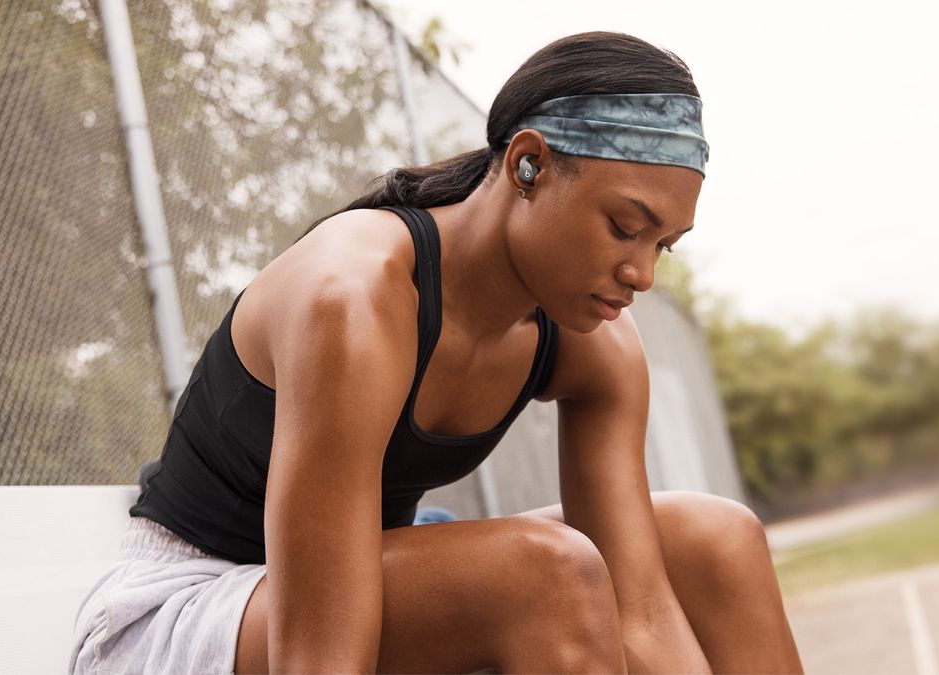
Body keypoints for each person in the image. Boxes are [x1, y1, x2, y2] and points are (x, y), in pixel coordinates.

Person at [69, 31, 803, 674]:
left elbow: (643, 614)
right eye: (623, 227)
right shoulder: (357, 292)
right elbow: (318, 657)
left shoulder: (597, 343)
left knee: (717, 540)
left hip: (377, 573)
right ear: (527, 165)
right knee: (545, 575)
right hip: (194, 611)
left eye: (662, 246)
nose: (642, 273)